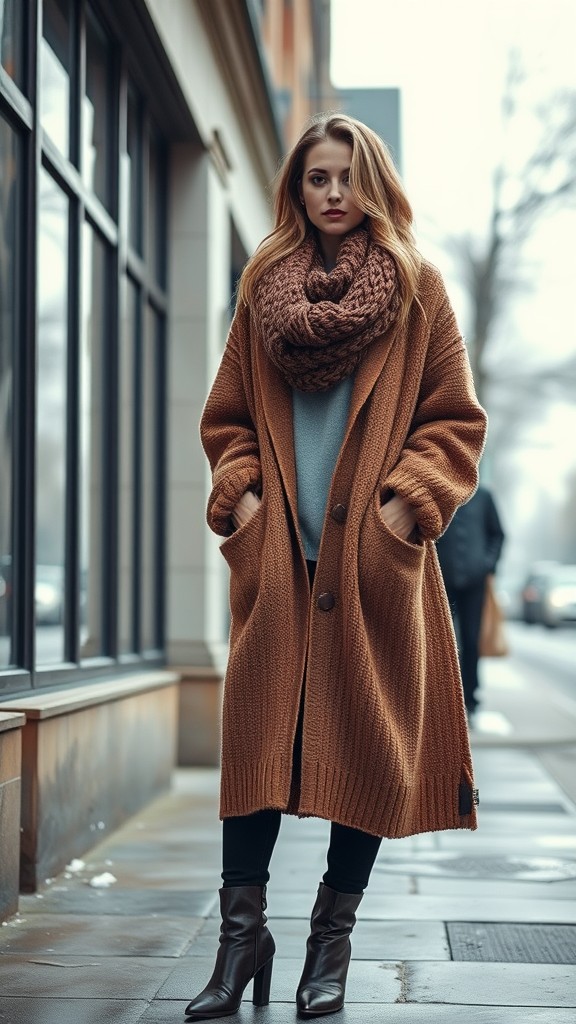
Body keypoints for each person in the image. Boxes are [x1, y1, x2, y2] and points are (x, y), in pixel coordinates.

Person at [187, 113, 487, 1021]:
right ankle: (242, 942)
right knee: (255, 749)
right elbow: (227, 419)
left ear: (374, 183)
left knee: (367, 747)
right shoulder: (260, 293)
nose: (332, 193)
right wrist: (241, 503)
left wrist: (403, 509)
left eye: (347, 177)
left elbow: (454, 423)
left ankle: (330, 944)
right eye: (317, 178)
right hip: (280, 565)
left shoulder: (417, 291)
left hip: (373, 570)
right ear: (297, 187)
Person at [435, 484, 505, 719]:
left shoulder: (484, 496)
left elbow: (498, 534)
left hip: (475, 584)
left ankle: (471, 699)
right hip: (441, 581)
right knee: (441, 642)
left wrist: (487, 565)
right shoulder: (440, 490)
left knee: (471, 640)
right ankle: (441, 698)